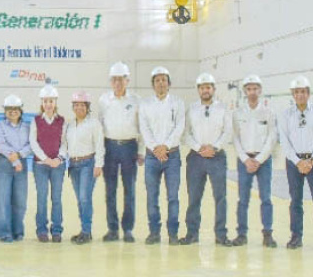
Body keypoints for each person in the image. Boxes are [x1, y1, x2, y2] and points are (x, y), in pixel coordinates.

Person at [278, 76, 313, 251]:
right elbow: (284, 141)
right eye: (296, 92)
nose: (300, 95)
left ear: (308, 93)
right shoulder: (286, 115)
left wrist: (312, 159)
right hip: (293, 163)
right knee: (295, 201)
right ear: (292, 94)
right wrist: (297, 162)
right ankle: (296, 236)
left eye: (303, 91)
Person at [181, 72, 233, 247]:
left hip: (217, 157)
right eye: (202, 87)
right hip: (195, 158)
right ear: (198, 90)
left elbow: (228, 132)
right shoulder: (191, 109)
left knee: (220, 197)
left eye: (208, 87)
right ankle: (192, 234)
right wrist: (199, 148)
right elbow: (185, 133)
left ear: (213, 89)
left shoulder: (223, 108)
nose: (205, 90)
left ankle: (221, 235)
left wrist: (214, 147)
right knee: (194, 197)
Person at [138, 66, 185, 245]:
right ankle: (154, 233)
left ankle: (173, 233)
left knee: (173, 197)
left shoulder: (178, 103)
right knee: (152, 196)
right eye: (157, 80)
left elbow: (179, 127)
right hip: (152, 157)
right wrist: (155, 148)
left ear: (169, 83)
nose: (161, 83)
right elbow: (144, 128)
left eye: (164, 80)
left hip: (172, 156)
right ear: (153, 84)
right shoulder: (145, 104)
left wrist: (165, 146)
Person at [97, 61, 142, 243]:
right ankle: (113, 229)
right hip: (109, 148)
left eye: (121, 79)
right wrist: (99, 153)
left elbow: (141, 127)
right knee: (110, 190)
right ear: (110, 81)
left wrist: (141, 151)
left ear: (127, 80)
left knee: (129, 190)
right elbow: (99, 127)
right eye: (114, 79)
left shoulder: (136, 100)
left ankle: (128, 229)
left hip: (130, 147)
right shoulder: (103, 100)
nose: (117, 83)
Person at [231, 74, 277, 248]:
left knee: (266, 198)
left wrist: (258, 160)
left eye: (255, 89)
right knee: (243, 200)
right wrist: (246, 159)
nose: (252, 92)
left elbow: (272, 138)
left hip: (263, 161)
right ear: (244, 91)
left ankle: (268, 234)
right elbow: (235, 138)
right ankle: (241, 234)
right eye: (249, 89)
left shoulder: (268, 113)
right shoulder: (238, 113)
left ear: (260, 90)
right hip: (244, 161)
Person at [64, 91, 105, 244]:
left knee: (84, 198)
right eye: (76, 105)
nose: (79, 107)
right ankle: (84, 230)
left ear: (87, 107)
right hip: (73, 165)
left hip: (88, 164)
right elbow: (65, 145)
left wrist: (98, 164)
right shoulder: (69, 125)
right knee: (80, 200)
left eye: (82, 105)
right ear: (73, 107)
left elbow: (99, 144)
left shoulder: (94, 123)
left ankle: (86, 232)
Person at [0, 94, 31, 242]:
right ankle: (4, 232)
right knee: (2, 199)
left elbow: (31, 145)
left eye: (15, 108)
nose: (12, 111)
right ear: (5, 111)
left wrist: (19, 155)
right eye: (9, 109)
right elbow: (0, 145)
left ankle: (17, 231)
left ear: (20, 110)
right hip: (4, 163)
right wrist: (15, 160)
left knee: (20, 200)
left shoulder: (27, 127)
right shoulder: (0, 125)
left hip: (21, 164)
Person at [30, 84, 66, 243]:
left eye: (51, 101)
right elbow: (33, 142)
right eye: (45, 101)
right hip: (40, 166)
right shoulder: (36, 121)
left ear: (55, 102)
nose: (48, 104)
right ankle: (42, 230)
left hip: (58, 166)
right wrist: (45, 159)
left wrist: (58, 159)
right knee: (42, 198)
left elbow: (64, 142)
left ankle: (57, 230)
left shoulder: (62, 121)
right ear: (42, 103)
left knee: (56, 198)